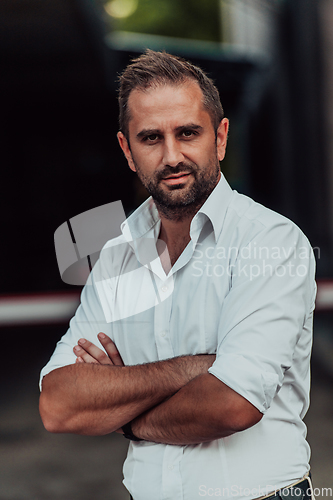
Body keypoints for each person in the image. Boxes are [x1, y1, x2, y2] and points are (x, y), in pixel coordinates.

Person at [39, 50, 316, 500]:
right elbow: (58, 405)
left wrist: (123, 410)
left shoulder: (269, 242)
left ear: (221, 138)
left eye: (188, 133)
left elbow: (231, 403)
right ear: (128, 151)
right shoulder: (117, 258)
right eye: (150, 138)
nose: (172, 156)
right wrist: (194, 368)